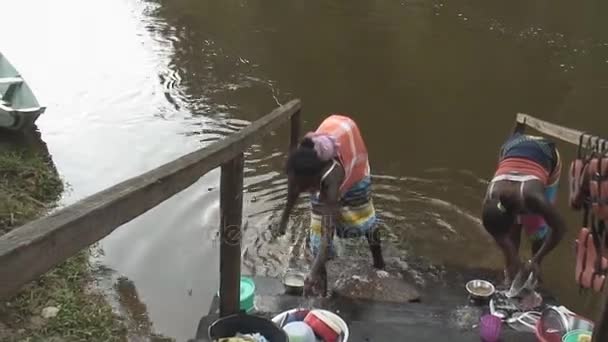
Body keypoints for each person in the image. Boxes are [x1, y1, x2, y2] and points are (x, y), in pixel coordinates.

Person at [275, 114, 386, 296]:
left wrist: (311, 273)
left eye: (308, 189)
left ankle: (380, 263)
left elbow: (328, 238)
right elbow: (293, 191)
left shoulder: (331, 178)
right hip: (332, 138)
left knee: (364, 216)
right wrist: (283, 221)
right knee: (316, 238)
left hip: (353, 157)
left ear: (315, 180)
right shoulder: (299, 166)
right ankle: (322, 290)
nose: (306, 193)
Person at [481, 131, 566, 285]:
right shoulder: (491, 196)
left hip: (546, 154)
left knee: (538, 228)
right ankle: (512, 272)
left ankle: (536, 268)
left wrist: (536, 259)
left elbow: (560, 228)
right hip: (512, 147)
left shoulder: (535, 198)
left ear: (513, 214)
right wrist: (512, 256)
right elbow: (497, 232)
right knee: (512, 235)